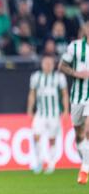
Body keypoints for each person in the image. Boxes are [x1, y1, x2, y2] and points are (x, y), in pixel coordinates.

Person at [58, 21, 89, 185]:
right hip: (77, 97)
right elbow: (61, 66)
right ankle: (85, 161)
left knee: (88, 130)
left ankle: (85, 168)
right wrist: (76, 73)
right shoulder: (75, 47)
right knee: (79, 135)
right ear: (84, 29)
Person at [27, 55, 69, 174]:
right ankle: (39, 162)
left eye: (50, 63)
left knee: (52, 139)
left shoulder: (59, 77)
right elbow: (32, 94)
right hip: (40, 113)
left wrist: (66, 110)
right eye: (45, 63)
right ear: (42, 64)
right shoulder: (36, 77)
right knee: (35, 136)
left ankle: (51, 163)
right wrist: (30, 109)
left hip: (54, 114)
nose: (48, 65)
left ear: (54, 65)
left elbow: (65, 94)